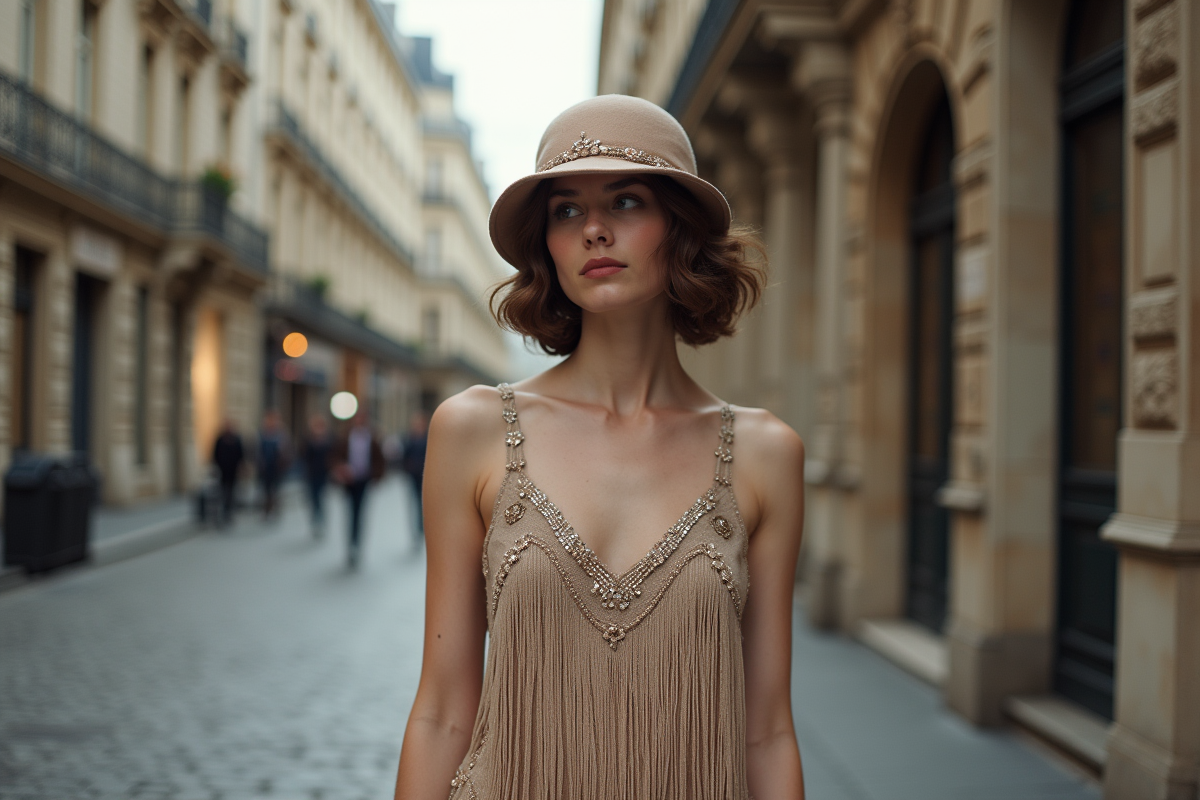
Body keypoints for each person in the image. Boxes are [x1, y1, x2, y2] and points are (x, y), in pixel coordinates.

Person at [395, 95, 806, 799]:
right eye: (566, 210)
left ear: (677, 229)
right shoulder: (472, 430)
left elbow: (765, 729)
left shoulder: (766, 453)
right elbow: (439, 712)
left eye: (625, 201)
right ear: (546, 246)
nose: (592, 230)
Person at [331, 409, 385, 569]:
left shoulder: (372, 438)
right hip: (349, 481)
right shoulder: (345, 437)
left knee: (360, 513)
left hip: (364, 480)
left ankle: (357, 544)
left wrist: (376, 476)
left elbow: (379, 459)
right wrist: (341, 469)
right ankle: (351, 545)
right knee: (350, 512)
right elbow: (335, 456)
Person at [301, 414, 334, 538]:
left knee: (321, 498)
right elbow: (304, 456)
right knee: (313, 499)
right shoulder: (309, 440)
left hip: (323, 474)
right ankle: (315, 520)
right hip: (311, 474)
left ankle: (321, 521)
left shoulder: (328, 439)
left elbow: (332, 457)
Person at [400, 410, 429, 545]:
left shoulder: (427, 438)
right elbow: (404, 456)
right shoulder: (409, 438)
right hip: (413, 475)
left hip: (424, 475)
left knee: (422, 503)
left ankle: (421, 526)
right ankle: (416, 528)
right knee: (414, 501)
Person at [257, 409, 289, 521]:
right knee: (266, 490)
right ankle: (267, 510)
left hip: (277, 467)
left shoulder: (281, 434)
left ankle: (275, 509)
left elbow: (287, 451)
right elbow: (258, 450)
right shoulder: (262, 434)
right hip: (265, 467)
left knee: (276, 489)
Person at [211, 419, 244, 528]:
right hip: (222, 470)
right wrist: (215, 467)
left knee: (231, 492)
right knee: (222, 491)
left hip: (233, 471)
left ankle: (228, 512)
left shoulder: (236, 439)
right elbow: (215, 454)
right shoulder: (220, 439)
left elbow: (241, 454)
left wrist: (241, 467)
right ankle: (222, 512)